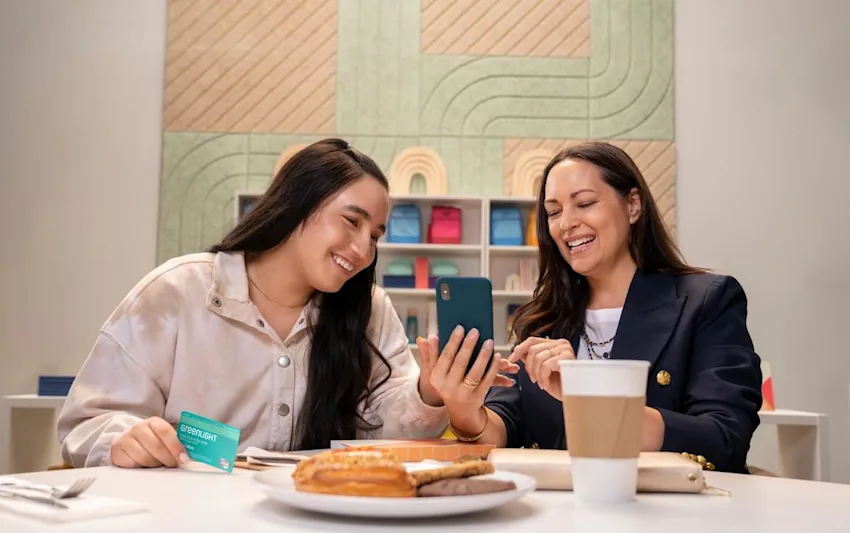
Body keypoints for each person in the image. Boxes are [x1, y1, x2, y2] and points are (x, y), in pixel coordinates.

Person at [57, 138, 450, 469]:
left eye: (376, 235)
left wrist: (428, 392)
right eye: (351, 221)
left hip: (317, 528)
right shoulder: (176, 291)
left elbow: (387, 435)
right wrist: (123, 439)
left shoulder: (370, 309)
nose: (364, 250)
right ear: (299, 204)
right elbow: (85, 423)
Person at [419, 141, 763, 474]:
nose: (566, 223)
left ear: (633, 205)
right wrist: (463, 408)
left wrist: (585, 394)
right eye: (553, 212)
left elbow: (725, 438)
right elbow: (506, 425)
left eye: (584, 204)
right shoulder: (541, 320)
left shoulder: (706, 300)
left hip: (668, 521)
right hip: (559, 520)